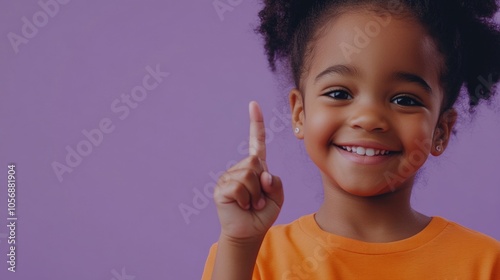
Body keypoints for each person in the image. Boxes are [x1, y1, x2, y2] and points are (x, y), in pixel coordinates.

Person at [202, 0, 500, 279]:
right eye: (339, 94)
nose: (369, 118)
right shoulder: (246, 257)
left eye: (405, 100)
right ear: (299, 113)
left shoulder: (485, 263)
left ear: (440, 131)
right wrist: (239, 246)